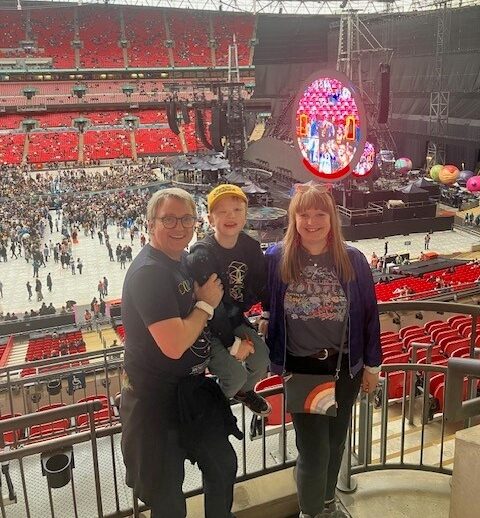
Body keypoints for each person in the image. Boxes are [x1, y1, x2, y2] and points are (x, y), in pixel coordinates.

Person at [261, 183, 382, 518]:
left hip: (345, 370)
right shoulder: (276, 258)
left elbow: (370, 315)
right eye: (304, 214)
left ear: (332, 218)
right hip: (302, 371)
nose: (311, 221)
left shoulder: (353, 259)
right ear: (293, 218)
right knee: (313, 451)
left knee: (336, 444)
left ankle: (327, 503)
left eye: (319, 214)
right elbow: (258, 295)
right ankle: (311, 512)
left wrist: (372, 366)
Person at [120, 188, 239, 518]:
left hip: (192, 394)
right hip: (156, 403)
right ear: (150, 224)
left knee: (223, 464)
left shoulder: (180, 261)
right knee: (168, 499)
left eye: (186, 218)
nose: (179, 226)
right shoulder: (149, 273)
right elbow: (173, 345)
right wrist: (205, 305)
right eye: (168, 219)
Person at [187, 184, 271, 416]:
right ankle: (214, 411)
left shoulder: (251, 247)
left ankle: (243, 392)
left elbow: (260, 283)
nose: (230, 216)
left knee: (261, 359)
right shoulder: (202, 254)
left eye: (236, 210)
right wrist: (233, 345)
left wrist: (267, 311)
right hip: (206, 326)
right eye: (222, 211)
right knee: (235, 375)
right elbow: (214, 308)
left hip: (233, 318)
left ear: (245, 215)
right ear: (210, 219)